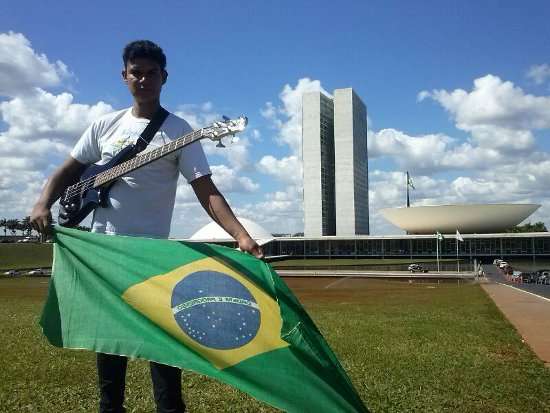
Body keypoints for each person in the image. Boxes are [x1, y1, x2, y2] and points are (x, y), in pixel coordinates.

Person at [30, 40, 263, 413]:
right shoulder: (104, 126)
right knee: (108, 350)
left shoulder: (180, 131)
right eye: (135, 72)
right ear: (124, 77)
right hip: (103, 254)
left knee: (164, 349)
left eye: (151, 72)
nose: (143, 79)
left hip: (152, 257)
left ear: (163, 77)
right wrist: (43, 202)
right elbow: (67, 171)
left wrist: (242, 235)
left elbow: (206, 190)